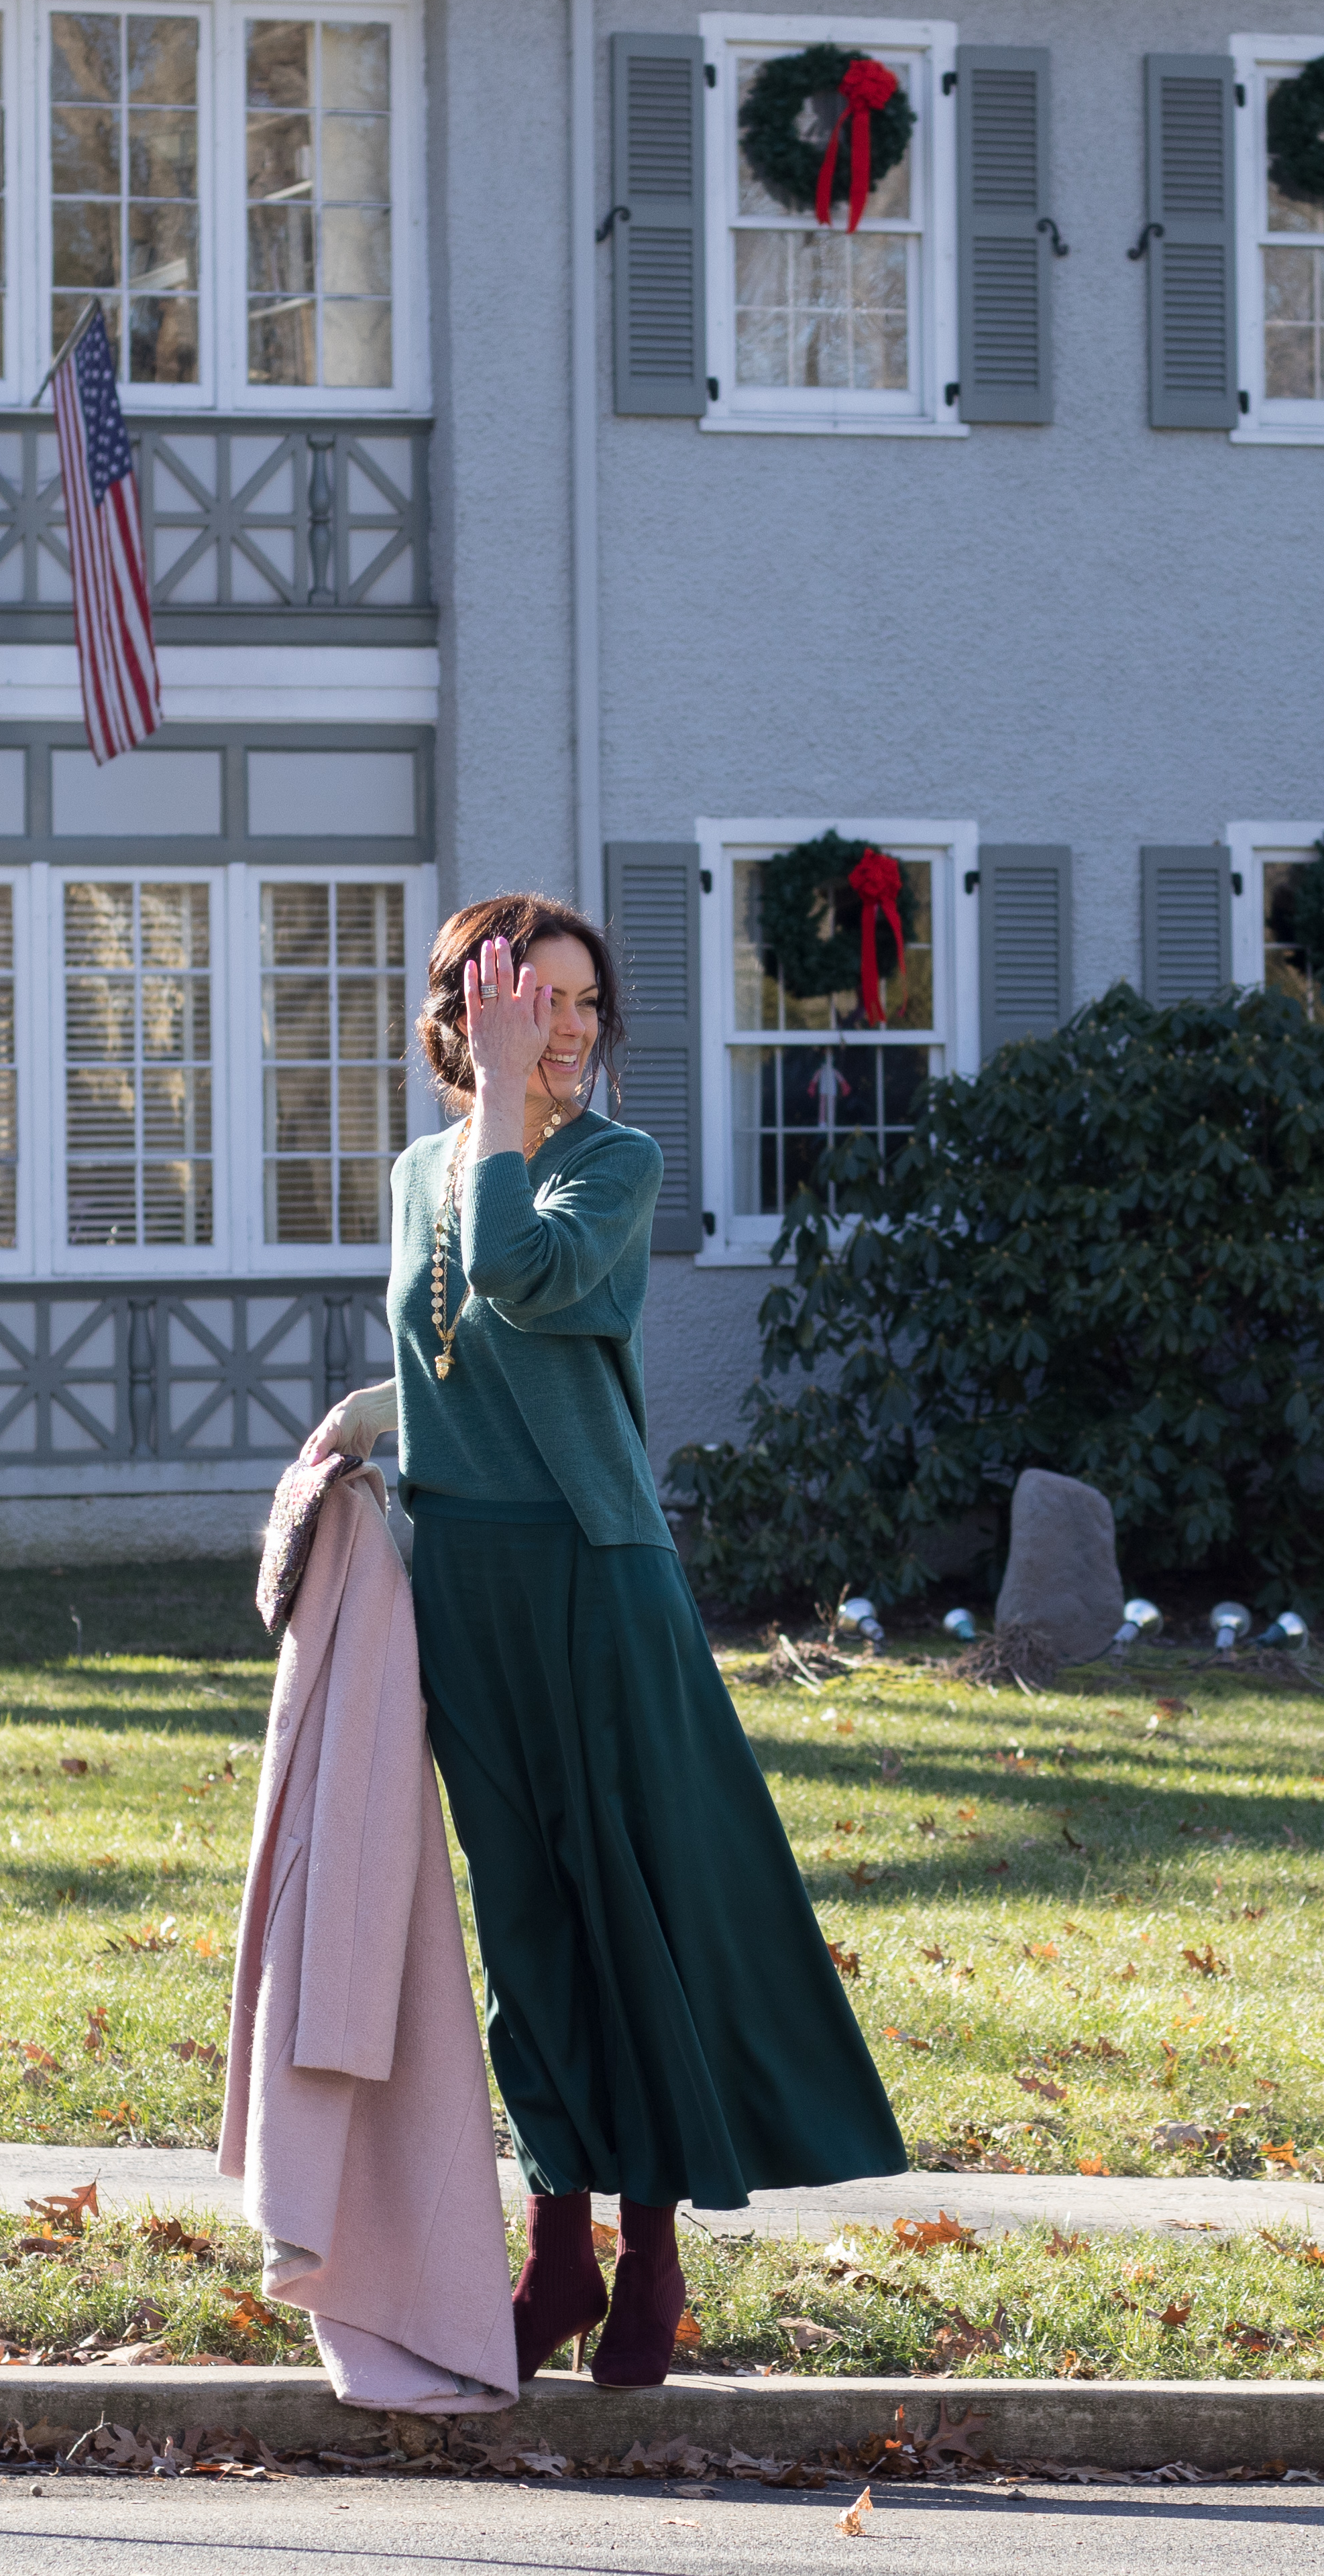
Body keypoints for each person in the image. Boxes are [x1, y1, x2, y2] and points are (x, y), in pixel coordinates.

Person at [317, 893, 903, 2388]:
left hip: (595, 1576)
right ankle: (554, 2241)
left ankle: (652, 2248)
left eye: (583, 1004)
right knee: (524, 1928)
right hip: (468, 1587)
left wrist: (510, 1102)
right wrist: (364, 1443)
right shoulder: (413, 1172)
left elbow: (520, 1273)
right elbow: (444, 1344)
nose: (568, 1028)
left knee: (626, 1909)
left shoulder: (612, 1163)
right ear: (461, 1010)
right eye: (537, 1001)